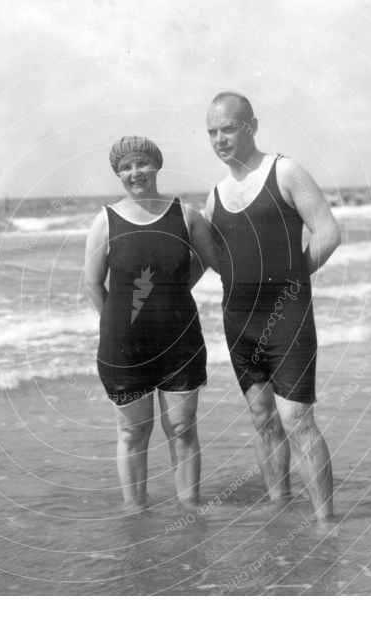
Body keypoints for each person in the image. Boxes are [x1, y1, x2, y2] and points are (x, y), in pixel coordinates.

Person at [202, 92, 341, 520]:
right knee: (263, 417)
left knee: (296, 417)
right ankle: (280, 510)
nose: (220, 139)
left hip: (288, 317)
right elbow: (217, 259)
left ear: (252, 126)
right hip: (239, 321)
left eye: (228, 128)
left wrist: (292, 283)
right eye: (212, 132)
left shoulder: (284, 170)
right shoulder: (215, 195)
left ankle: (325, 523)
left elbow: (328, 233)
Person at [84, 136, 220, 510]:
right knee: (133, 431)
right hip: (124, 348)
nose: (135, 173)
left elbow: (210, 261)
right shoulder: (105, 221)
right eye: (125, 167)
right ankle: (135, 512)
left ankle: (190, 511)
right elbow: (93, 284)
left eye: (142, 163)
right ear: (117, 174)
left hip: (180, 340)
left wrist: (173, 291)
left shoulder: (187, 215)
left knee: (182, 429)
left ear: (156, 166)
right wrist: (119, 324)